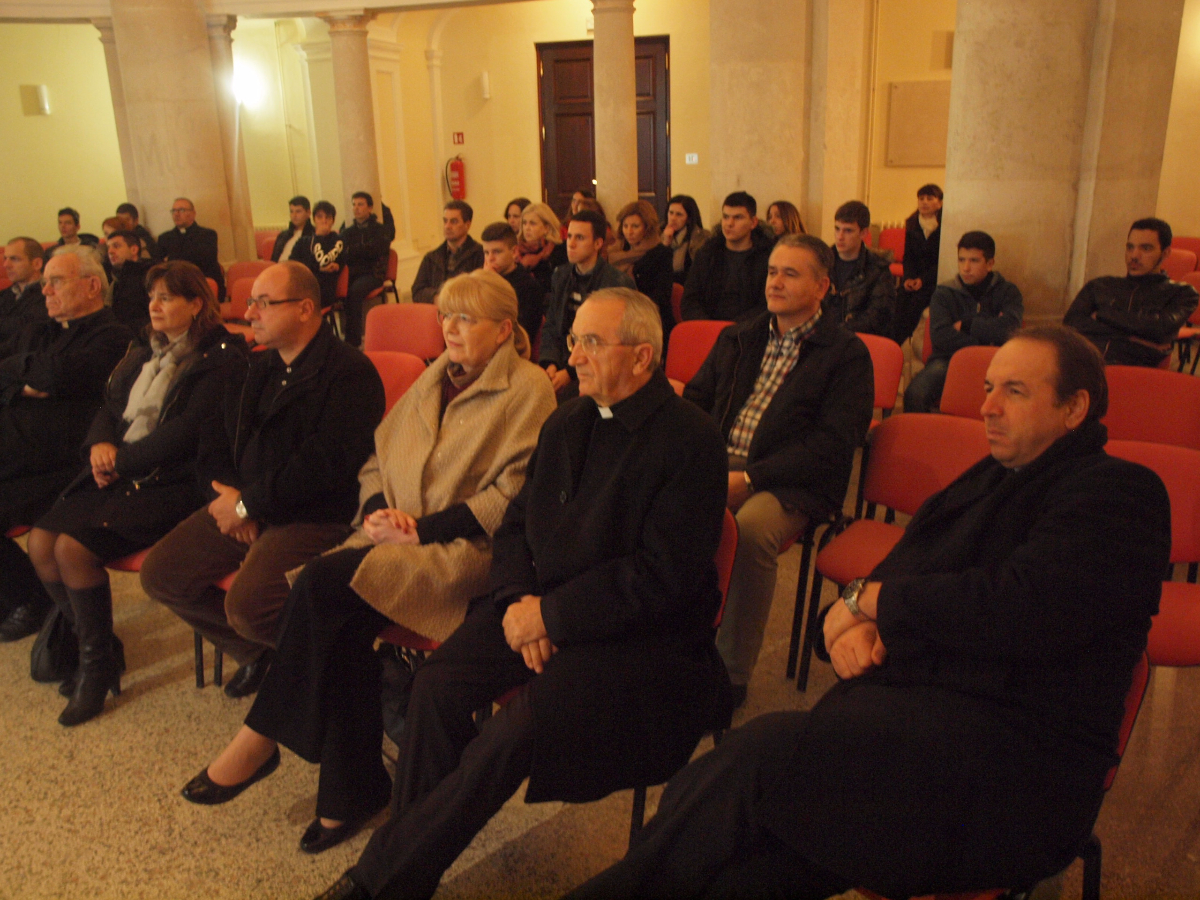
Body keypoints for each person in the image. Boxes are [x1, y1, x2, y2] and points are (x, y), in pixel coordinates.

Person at [562, 325, 1170, 900]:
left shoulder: (1121, 493)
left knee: (755, 761)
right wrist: (853, 615)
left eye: (1014, 391)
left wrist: (874, 605)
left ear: (1074, 408)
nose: (987, 407)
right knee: (743, 862)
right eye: (988, 388)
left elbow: (1018, 607)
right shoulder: (992, 476)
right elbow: (898, 573)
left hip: (1011, 777)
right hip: (909, 740)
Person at [311, 287, 729, 900]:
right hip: (535, 605)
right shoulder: (568, 420)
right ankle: (406, 869)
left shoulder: (691, 440)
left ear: (642, 357)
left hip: (638, 637)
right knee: (435, 687)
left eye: (591, 342)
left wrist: (551, 618)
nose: (573, 355)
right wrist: (514, 604)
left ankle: (380, 881)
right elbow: (514, 527)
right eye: (575, 339)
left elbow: (662, 576)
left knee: (512, 734)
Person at [178, 269, 555, 854]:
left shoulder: (528, 389)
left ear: (505, 330)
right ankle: (347, 793)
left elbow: (510, 497)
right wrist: (380, 510)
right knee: (338, 627)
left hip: (461, 550)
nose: (450, 329)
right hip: (395, 537)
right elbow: (378, 458)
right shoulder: (436, 374)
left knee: (321, 585)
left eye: (467, 319)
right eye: (446, 316)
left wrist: (421, 530)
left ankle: (263, 735)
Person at [140, 262, 384, 699]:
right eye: (251, 302)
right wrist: (231, 499)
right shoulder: (256, 365)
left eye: (264, 303)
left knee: (249, 606)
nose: (249, 313)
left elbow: (324, 467)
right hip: (249, 502)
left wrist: (248, 505)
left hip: (313, 514)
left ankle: (349, 672)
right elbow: (217, 440)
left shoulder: (350, 373)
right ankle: (258, 655)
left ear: (305, 309)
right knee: (161, 574)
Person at [26, 261, 247, 726]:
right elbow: (110, 406)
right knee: (41, 542)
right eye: (152, 297)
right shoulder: (144, 348)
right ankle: (99, 646)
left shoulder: (220, 356)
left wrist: (119, 462)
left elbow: (186, 433)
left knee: (71, 550)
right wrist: (100, 446)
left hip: (176, 481)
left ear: (196, 304)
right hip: (128, 472)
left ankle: (95, 667)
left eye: (166, 297)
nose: (154, 306)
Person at [684, 233, 874, 705]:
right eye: (772, 271)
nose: (775, 282)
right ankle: (672, 646)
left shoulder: (845, 354)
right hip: (722, 462)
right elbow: (697, 401)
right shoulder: (740, 336)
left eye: (790, 273)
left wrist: (751, 480)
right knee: (657, 506)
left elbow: (831, 444)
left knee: (749, 530)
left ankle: (729, 674)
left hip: (792, 481)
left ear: (822, 286)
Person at [0, 246, 132, 643]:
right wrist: (23, 382)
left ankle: (29, 597)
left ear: (91, 286)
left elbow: (57, 375)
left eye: (56, 281)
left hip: (64, 464)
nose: (45, 291)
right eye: (44, 283)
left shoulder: (113, 336)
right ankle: (23, 594)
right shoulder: (42, 329)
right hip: (20, 453)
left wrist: (20, 374)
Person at [904, 231, 1024, 413]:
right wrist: (988, 337)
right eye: (961, 260)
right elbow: (941, 337)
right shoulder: (944, 292)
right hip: (948, 358)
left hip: (996, 360)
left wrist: (967, 326)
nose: (966, 268)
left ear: (989, 263)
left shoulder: (1007, 292)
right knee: (915, 394)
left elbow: (1011, 329)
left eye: (974, 261)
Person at [1064, 217, 1199, 367]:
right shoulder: (1100, 285)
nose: (1134, 256)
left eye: (1145, 248)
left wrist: (1101, 315)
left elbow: (1160, 329)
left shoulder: (1182, 293)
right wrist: (1132, 337)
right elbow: (1071, 323)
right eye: (1130, 247)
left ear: (1165, 253)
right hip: (1086, 365)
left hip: (1134, 373)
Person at [539, 210, 635, 399]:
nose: (571, 244)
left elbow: (610, 341)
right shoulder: (561, 275)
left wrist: (570, 372)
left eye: (580, 238)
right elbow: (552, 325)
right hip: (563, 361)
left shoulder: (616, 283)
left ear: (598, 243)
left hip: (598, 367)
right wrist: (550, 363)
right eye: (569, 237)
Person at [681, 191, 774, 322]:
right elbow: (690, 300)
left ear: (753, 222)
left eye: (738, 217)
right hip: (709, 327)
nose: (729, 223)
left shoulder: (767, 257)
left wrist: (734, 329)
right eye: (725, 217)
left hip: (749, 329)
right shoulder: (707, 253)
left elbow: (767, 305)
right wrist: (707, 326)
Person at [826, 200, 894, 337]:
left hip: (856, 339)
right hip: (822, 336)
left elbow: (878, 317)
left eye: (848, 230)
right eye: (837, 229)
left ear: (863, 233)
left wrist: (837, 332)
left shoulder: (878, 268)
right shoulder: (821, 262)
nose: (840, 237)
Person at [610, 200, 676, 342]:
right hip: (618, 315)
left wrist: (634, 310)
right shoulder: (615, 252)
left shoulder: (661, 253)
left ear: (647, 228)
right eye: (625, 226)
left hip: (651, 319)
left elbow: (662, 296)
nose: (629, 232)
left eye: (635, 226)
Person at [339, 191, 394, 348]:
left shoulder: (380, 230)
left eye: (360, 204)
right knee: (339, 288)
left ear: (370, 208)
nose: (356, 208)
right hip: (354, 273)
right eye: (354, 205)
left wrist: (355, 251)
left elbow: (375, 252)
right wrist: (361, 250)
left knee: (355, 291)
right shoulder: (347, 232)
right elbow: (344, 253)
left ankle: (352, 341)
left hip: (373, 273)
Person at [892, 183, 943, 343]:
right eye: (921, 198)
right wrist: (908, 278)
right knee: (899, 299)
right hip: (914, 277)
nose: (924, 202)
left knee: (916, 303)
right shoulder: (912, 223)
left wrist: (923, 280)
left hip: (933, 279)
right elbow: (908, 257)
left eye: (930, 198)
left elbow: (942, 260)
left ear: (940, 203)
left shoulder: (945, 225)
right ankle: (893, 342)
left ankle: (904, 341)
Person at [480, 222, 544, 344]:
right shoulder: (483, 279)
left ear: (514, 252)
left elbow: (520, 337)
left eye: (497, 252)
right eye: (486, 253)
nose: (490, 258)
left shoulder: (528, 287)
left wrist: (492, 285)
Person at [411, 200, 484, 305]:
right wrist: (437, 298)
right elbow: (417, 291)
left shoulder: (480, 254)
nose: (447, 226)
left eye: (454, 221)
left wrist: (452, 300)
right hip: (437, 310)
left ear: (467, 225)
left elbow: (481, 292)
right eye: (445, 221)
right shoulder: (431, 257)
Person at [156, 198, 226, 301]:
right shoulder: (165, 238)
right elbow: (158, 263)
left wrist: (172, 259)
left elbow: (204, 259)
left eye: (181, 210)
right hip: (176, 287)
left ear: (193, 214)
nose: (176, 214)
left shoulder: (207, 235)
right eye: (174, 211)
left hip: (203, 285)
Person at [0, 238, 47, 342]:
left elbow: (27, 328)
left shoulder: (48, 294)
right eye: (5, 259)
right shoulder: (5, 294)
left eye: (14, 259)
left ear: (37, 264)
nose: (6, 265)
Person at [515, 202, 567, 296]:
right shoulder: (516, 250)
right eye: (524, 223)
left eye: (532, 223)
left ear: (546, 228)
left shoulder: (559, 250)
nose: (527, 228)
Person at [106, 230, 153, 332]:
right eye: (108, 247)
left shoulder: (148, 276)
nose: (110, 251)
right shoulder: (115, 278)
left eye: (116, 246)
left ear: (134, 250)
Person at [660, 194, 710, 286]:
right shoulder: (657, 234)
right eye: (671, 213)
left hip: (687, 285)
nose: (673, 218)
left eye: (679, 214)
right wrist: (665, 242)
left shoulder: (701, 237)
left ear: (688, 218)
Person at [309, 201, 345, 311]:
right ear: (314, 219)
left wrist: (336, 266)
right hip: (306, 283)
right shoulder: (304, 241)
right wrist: (318, 268)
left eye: (328, 217)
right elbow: (295, 262)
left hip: (325, 286)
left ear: (333, 220)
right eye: (319, 217)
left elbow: (341, 261)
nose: (324, 221)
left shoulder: (338, 240)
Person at [270, 195, 316, 264]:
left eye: (298, 211)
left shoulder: (313, 235)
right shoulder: (283, 235)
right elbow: (273, 259)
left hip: (297, 269)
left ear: (308, 213)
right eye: (291, 211)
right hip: (277, 268)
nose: (294, 215)